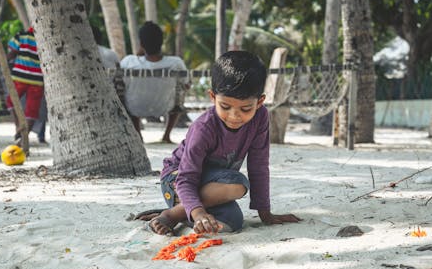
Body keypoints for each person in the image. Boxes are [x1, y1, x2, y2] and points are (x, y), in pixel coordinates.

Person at [136, 51, 301, 235]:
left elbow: (259, 166)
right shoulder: (204, 128)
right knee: (238, 183)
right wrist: (199, 214)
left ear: (260, 102)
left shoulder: (260, 118)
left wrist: (266, 214)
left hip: (216, 186)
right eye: (225, 106)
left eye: (245, 108)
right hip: (176, 181)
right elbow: (186, 177)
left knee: (232, 222)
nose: (234, 116)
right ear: (213, 97)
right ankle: (173, 215)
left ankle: (181, 210)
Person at [120, 21, 188, 143]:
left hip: (135, 108)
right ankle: (166, 135)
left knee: (126, 94)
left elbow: (120, 85)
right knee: (180, 92)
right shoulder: (176, 63)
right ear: (161, 42)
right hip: (165, 107)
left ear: (141, 43)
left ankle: (138, 135)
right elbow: (186, 84)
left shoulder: (129, 62)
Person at [0, 27, 44, 145]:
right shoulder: (46, 38)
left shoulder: (22, 35)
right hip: (37, 79)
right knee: (32, 110)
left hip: (20, 77)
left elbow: (12, 53)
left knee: (11, 101)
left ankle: (18, 126)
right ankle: (23, 137)